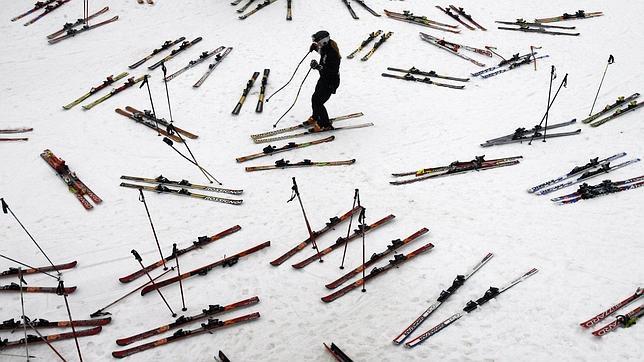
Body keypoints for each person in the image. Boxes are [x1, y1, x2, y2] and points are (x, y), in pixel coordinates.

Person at [309, 30, 341, 131]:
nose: (318, 44)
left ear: (324, 41)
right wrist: (315, 49)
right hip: (324, 79)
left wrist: (319, 67)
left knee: (318, 102)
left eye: (318, 43)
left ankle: (324, 124)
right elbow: (323, 54)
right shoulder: (326, 48)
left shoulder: (333, 54)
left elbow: (332, 71)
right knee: (314, 98)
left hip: (330, 82)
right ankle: (316, 117)